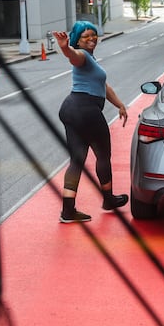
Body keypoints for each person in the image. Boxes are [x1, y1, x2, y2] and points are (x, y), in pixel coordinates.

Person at [54, 21, 129, 223]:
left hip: (71, 109)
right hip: (85, 110)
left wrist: (119, 104)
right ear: (77, 40)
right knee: (103, 155)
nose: (91, 39)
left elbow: (103, 85)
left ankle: (68, 211)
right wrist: (65, 48)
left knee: (77, 160)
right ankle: (108, 199)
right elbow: (73, 57)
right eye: (86, 36)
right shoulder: (82, 56)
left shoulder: (91, 61)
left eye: (93, 35)